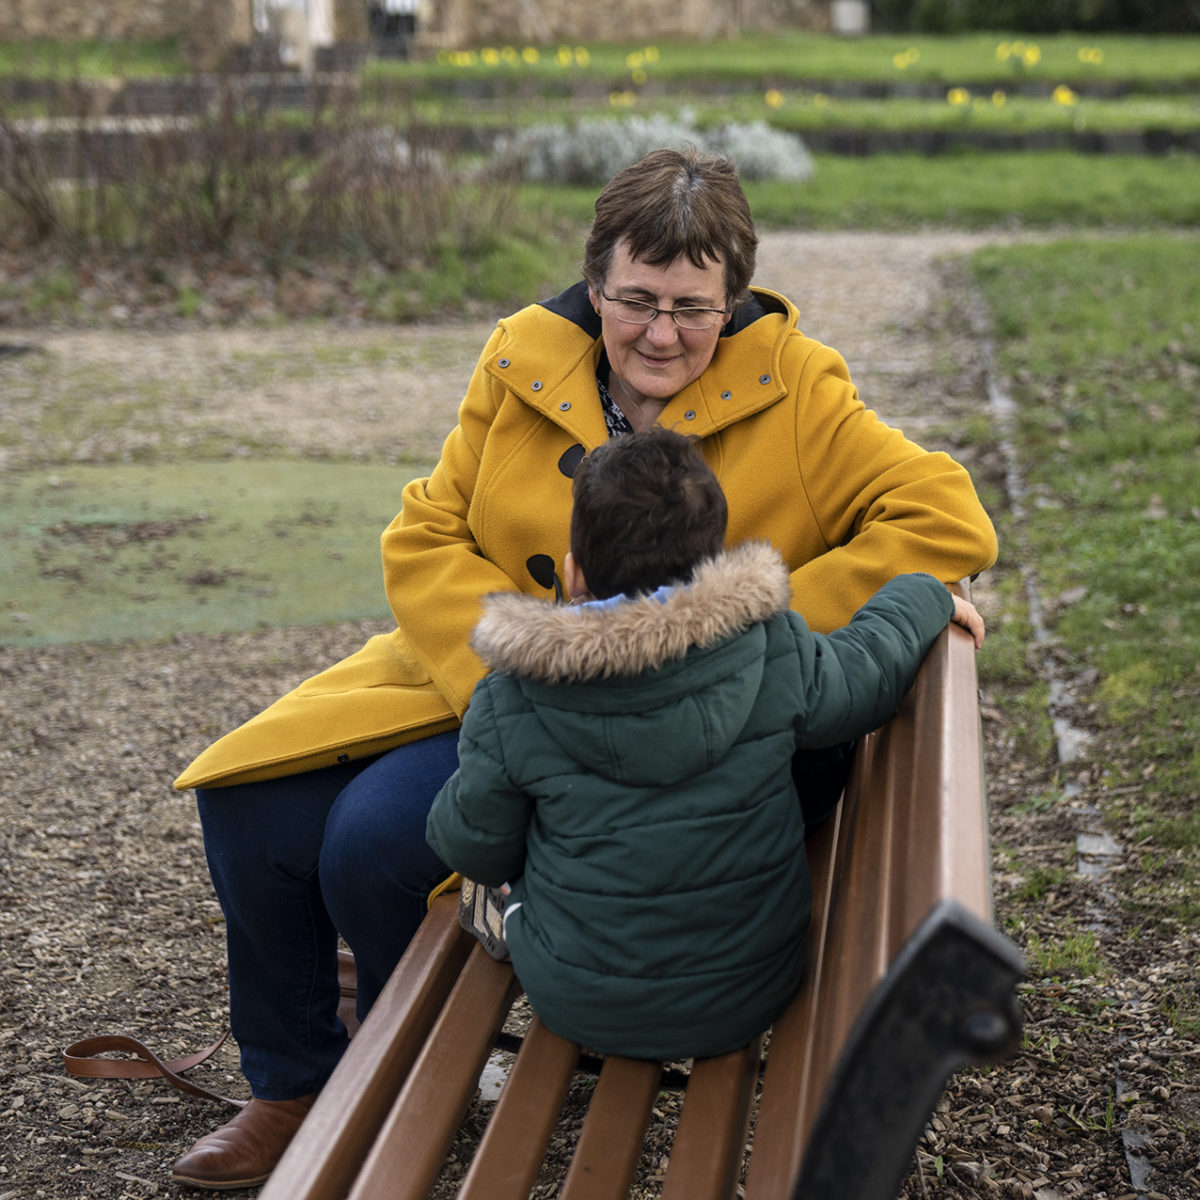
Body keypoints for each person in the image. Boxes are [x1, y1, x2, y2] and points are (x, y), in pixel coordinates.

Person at [169, 147, 998, 1189]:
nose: (662, 333)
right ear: (595, 285)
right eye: (637, 300)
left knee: (371, 841)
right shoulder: (523, 359)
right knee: (250, 804)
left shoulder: (796, 389)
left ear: (734, 299)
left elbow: (943, 517)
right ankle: (293, 1082)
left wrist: (721, 631)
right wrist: (517, 672)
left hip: (665, 725)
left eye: (693, 308)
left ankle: (405, 1074)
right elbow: (426, 531)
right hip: (492, 683)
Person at [426, 428, 984, 1060]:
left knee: (508, 880)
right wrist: (920, 595)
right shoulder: (768, 648)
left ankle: (513, 917)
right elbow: (867, 672)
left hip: (581, 1001)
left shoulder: (514, 696)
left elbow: (471, 845)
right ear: (713, 565)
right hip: (751, 987)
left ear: (574, 572)